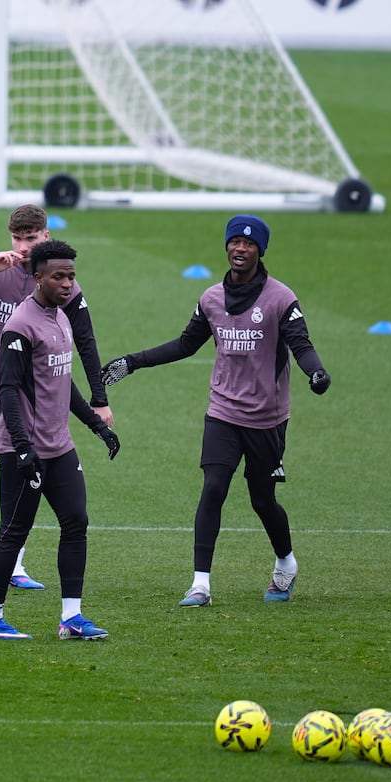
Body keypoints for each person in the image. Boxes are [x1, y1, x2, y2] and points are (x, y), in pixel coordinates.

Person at [100, 215, 330, 607]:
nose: (240, 249)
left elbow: (300, 344)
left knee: (262, 500)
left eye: (249, 244)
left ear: (260, 250)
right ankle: (200, 584)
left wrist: (317, 372)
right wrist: (133, 362)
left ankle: (286, 563)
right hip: (223, 411)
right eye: (234, 243)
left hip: (266, 419)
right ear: (226, 247)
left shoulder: (280, 298)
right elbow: (186, 344)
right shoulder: (211, 298)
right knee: (213, 488)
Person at [0, 204, 113, 593]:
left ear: (46, 238)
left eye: (31, 239)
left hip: (27, 405)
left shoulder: (59, 281)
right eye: (17, 238)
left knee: (21, 482)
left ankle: (14, 563)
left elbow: (85, 342)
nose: (22, 246)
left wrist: (99, 399)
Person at [0, 239, 121, 641]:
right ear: (38, 278)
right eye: (59, 277)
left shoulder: (61, 317)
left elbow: (61, 381)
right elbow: (7, 389)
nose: (68, 284)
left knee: (76, 522)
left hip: (59, 446)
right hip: (24, 449)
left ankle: (71, 618)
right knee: (15, 530)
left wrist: (96, 425)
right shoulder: (20, 325)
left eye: (72, 276)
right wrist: (22, 447)